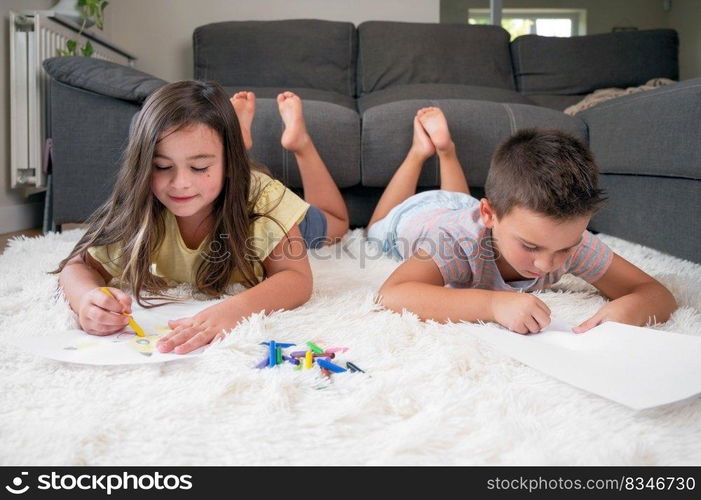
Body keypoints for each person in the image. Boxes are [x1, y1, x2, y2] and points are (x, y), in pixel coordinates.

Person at [52, 81, 314, 354]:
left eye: (199, 167)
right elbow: (77, 267)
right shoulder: (141, 204)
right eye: (162, 166)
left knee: (334, 222)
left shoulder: (264, 198)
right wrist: (86, 300)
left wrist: (235, 310)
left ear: (229, 163)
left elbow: (297, 277)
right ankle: (239, 135)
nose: (180, 183)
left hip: (284, 217)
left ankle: (299, 144)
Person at [367, 107, 677, 334]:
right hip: (413, 219)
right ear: (489, 215)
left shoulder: (566, 238)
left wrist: (629, 309)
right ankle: (421, 152)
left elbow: (654, 292)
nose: (546, 265)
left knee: (460, 202)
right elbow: (392, 294)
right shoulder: (454, 240)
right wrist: (492, 305)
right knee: (374, 227)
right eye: (530, 246)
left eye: (565, 249)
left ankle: (447, 152)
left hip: (464, 207)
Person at [230, 90, 349, 248]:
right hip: (264, 211)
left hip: (244, 200)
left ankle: (232, 147)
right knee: (338, 223)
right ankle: (302, 144)